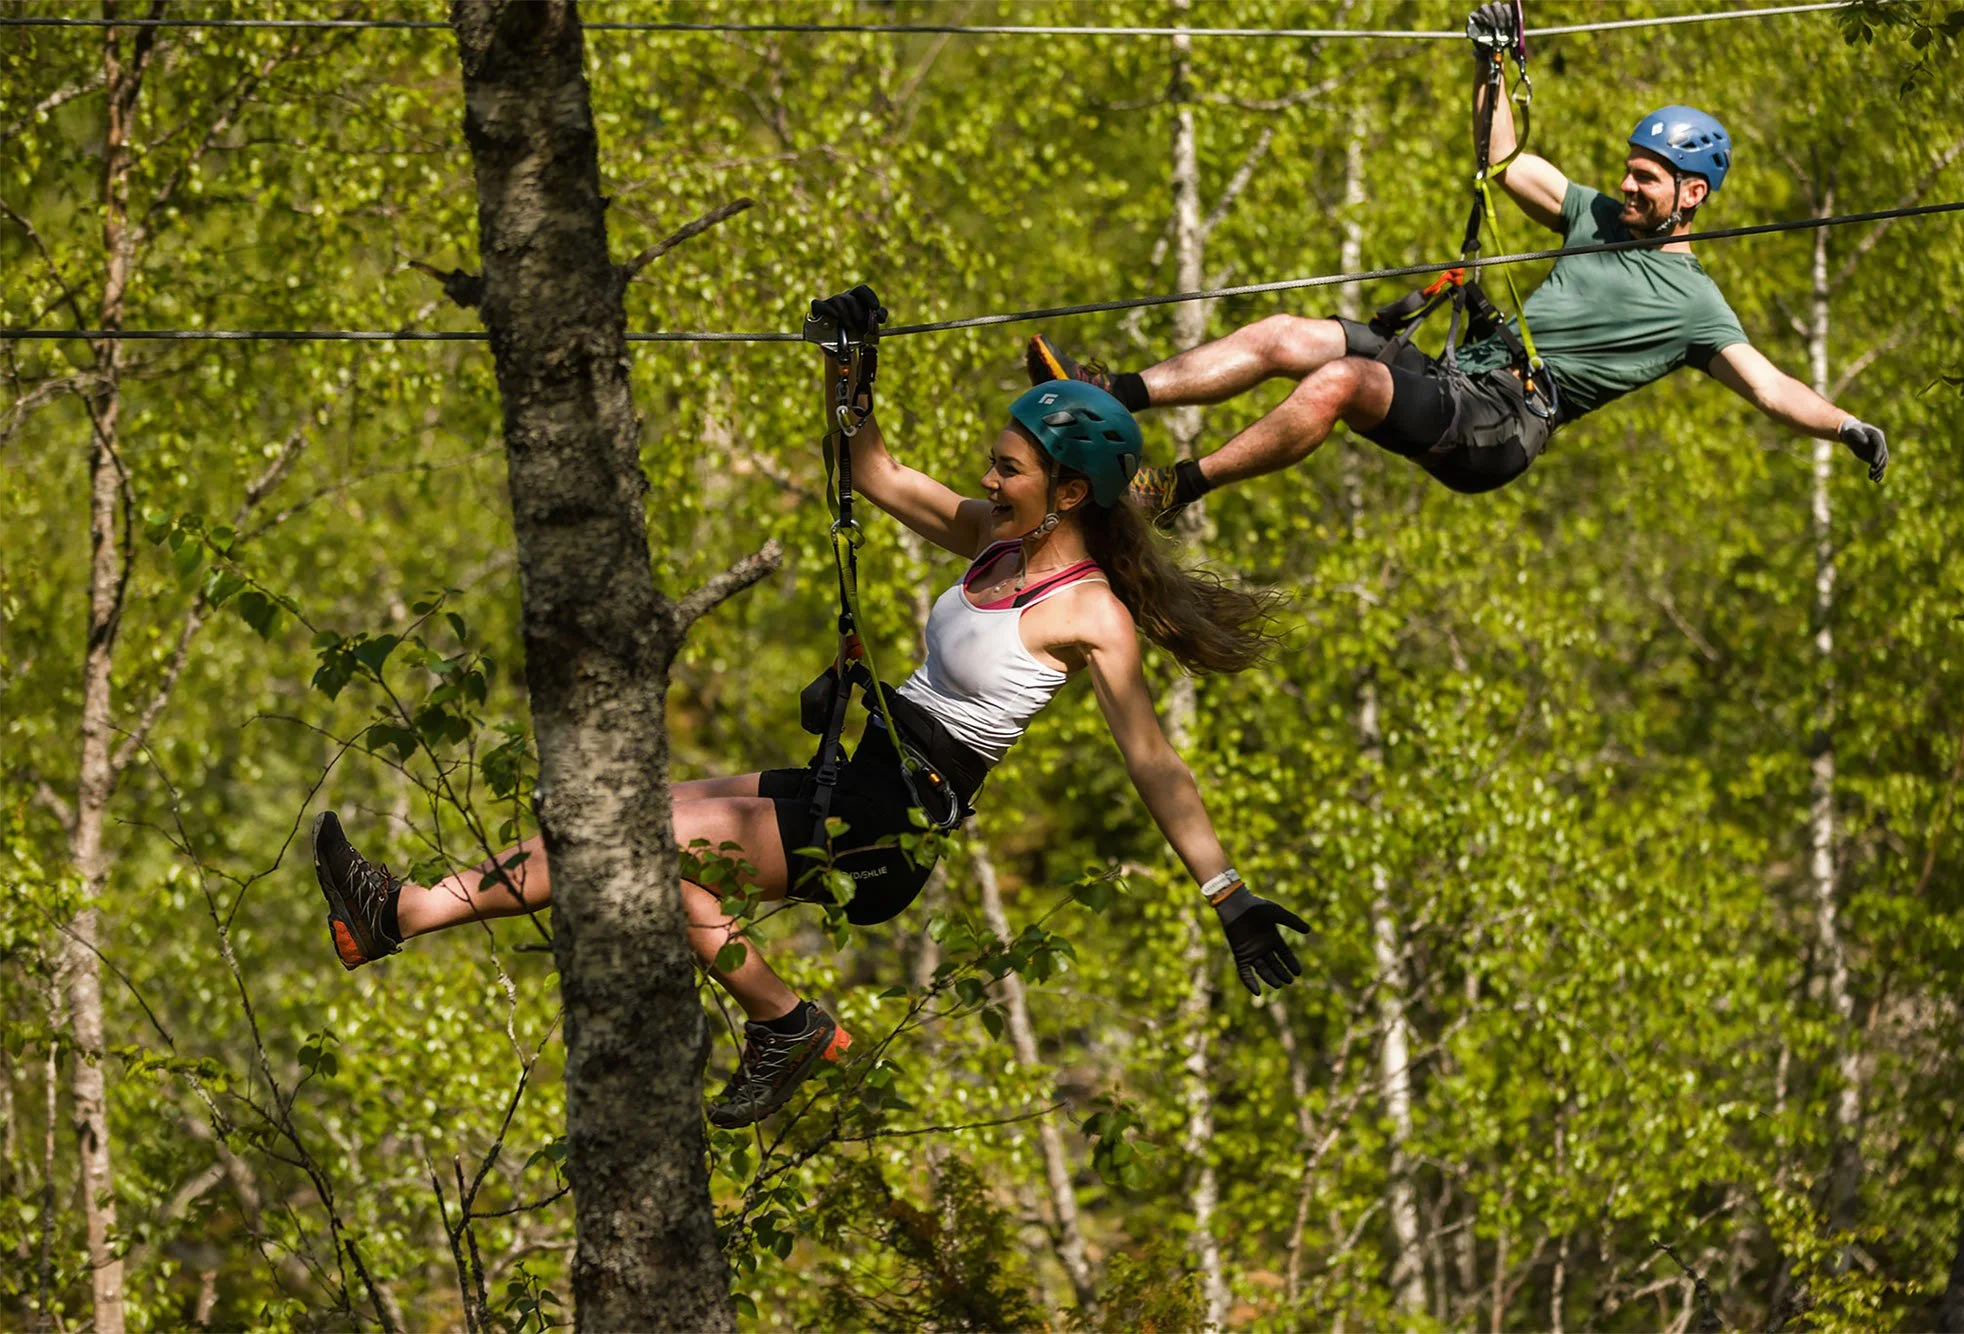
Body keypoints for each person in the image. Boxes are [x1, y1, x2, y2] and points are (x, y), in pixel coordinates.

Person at [308, 286, 1311, 1131]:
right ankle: (400, 912)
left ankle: (785, 1021)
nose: (984, 476)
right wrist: (849, 372)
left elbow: (1153, 763)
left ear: (1067, 492)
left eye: (1006, 467)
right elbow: (871, 469)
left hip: (889, 822)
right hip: (859, 774)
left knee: (636, 843)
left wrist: (1227, 894)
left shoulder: (1090, 610)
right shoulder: (989, 544)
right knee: (620, 827)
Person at [1023, 2, 1891, 516]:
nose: (1626, 186)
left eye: (1647, 178)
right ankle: (1110, 396)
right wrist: (1492, 63)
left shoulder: (1697, 307)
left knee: (1340, 387)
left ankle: (1169, 492)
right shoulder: (1592, 214)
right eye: (1628, 170)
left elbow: (1774, 389)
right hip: (1461, 374)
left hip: (1503, 426)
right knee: (1294, 334)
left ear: (1692, 194)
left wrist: (1847, 426)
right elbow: (1505, 161)